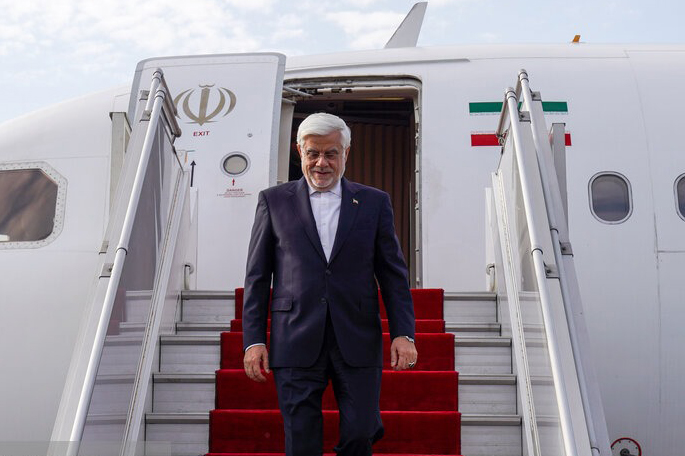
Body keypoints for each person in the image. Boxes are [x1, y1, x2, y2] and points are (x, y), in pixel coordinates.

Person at [242, 112, 418, 456]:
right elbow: (257, 277)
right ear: (300, 151)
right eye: (313, 153)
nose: (321, 163)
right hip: (294, 334)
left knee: (361, 431)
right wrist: (254, 340)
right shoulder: (273, 201)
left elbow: (393, 275)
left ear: (346, 153)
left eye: (331, 154)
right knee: (301, 438)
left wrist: (404, 333)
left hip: (357, 335)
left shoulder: (374, 202)